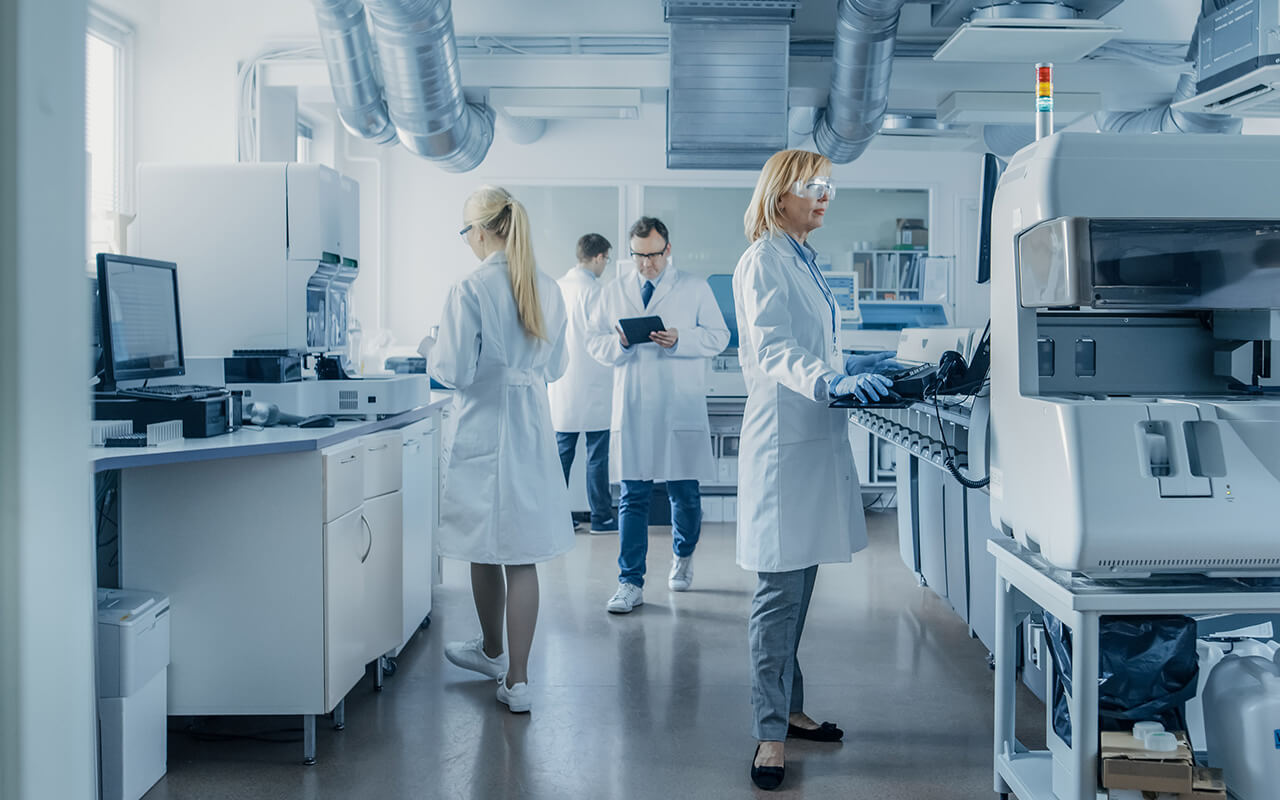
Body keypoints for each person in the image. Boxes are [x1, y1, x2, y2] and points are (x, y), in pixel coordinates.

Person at [732, 150, 899, 790]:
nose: (824, 195)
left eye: (829, 186)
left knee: (797, 592)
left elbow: (816, 343)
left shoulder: (802, 257)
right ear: (779, 192)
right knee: (777, 595)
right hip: (782, 443)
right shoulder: (762, 260)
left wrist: (856, 365)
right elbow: (775, 347)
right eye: (811, 186)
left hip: (811, 437)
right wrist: (829, 378)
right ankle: (768, 735)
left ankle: (790, 711)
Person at [427, 185, 574, 714]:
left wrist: (431, 350)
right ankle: (516, 679)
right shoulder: (548, 287)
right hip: (532, 425)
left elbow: (453, 371)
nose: (466, 241)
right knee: (521, 552)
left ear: (483, 230)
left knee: (481, 543)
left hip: (486, 426)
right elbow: (556, 368)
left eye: (466, 231)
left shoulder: (470, 288)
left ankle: (492, 648)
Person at [585, 216, 730, 613]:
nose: (646, 264)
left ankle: (683, 557)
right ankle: (629, 582)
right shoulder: (614, 291)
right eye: (638, 256)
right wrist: (620, 344)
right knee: (633, 495)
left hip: (678, 402)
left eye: (652, 255)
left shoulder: (694, 287)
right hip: (633, 404)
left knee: (684, 492)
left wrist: (682, 338)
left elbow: (719, 336)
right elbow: (594, 341)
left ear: (667, 250)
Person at [548, 233, 618, 535]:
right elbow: (608, 336)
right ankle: (602, 518)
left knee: (561, 457)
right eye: (607, 259)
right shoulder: (597, 291)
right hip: (595, 385)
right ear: (599, 257)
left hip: (562, 385)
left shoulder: (556, 288)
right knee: (597, 456)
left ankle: (555, 518)